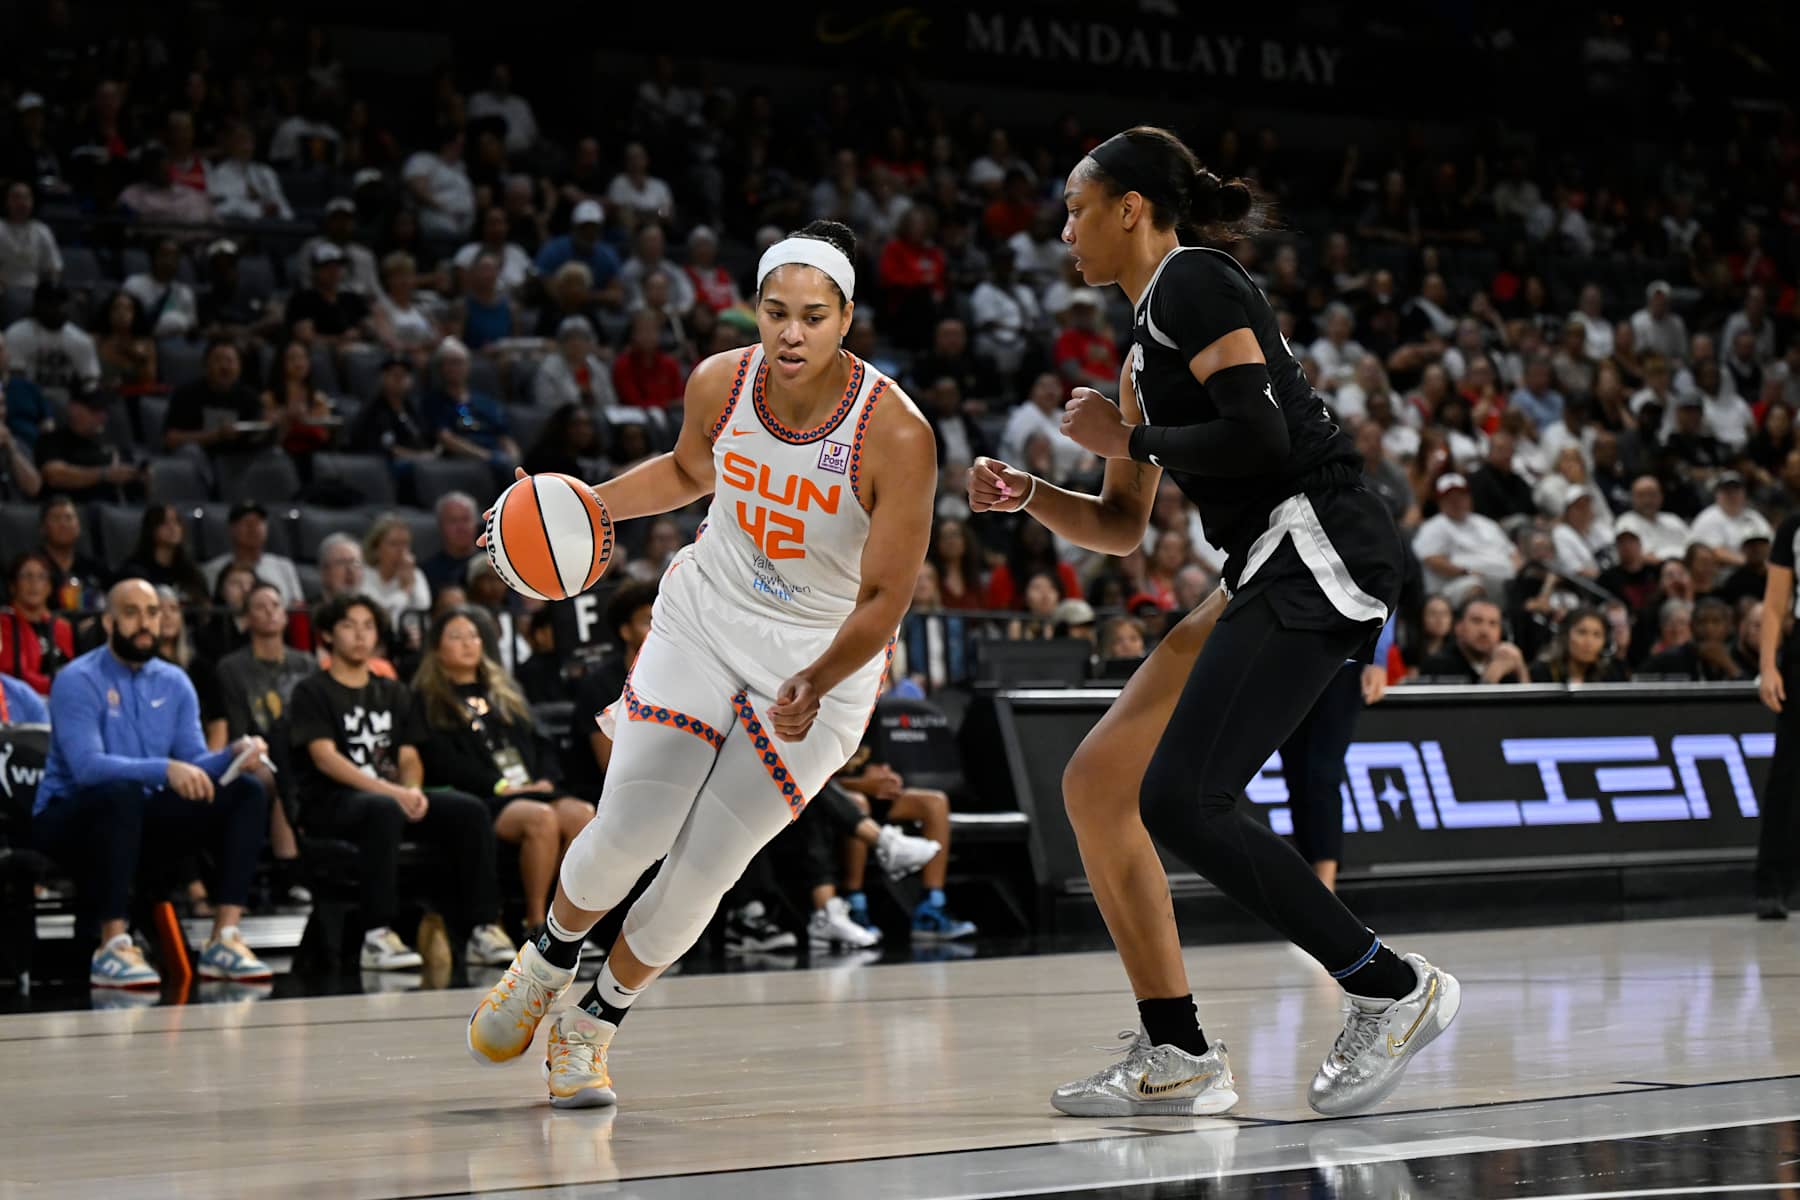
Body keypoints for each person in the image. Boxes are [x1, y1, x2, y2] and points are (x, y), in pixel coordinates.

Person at [967, 127, 1456, 1119]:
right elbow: (1119, 523)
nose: (1065, 229)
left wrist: (1129, 432)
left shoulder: (1195, 279)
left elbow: (1260, 434)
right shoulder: (1143, 347)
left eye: (1077, 207)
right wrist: (1030, 494)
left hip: (1316, 544)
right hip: (1258, 563)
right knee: (1100, 783)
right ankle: (1178, 1050)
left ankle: (1387, 986)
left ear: (1130, 208)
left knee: (1186, 801)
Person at [468, 219, 936, 1110]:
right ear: (754, 312)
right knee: (633, 830)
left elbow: (886, 600)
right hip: (705, 619)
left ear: (846, 320)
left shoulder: (898, 434)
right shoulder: (722, 382)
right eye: (774, 313)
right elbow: (691, 471)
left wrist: (821, 676)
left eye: (811, 315)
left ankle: (591, 1028)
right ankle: (546, 959)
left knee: (706, 870)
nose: (790, 333)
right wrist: (578, 514)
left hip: (825, 659)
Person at [33, 580, 273, 987]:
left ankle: (224, 940)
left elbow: (194, 764)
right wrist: (165, 769)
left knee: (247, 791)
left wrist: (233, 753)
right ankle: (112, 945)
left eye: (152, 612)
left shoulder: (175, 681)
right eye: (131, 613)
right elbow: (87, 769)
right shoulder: (77, 679)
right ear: (108, 621)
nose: (145, 623)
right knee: (120, 792)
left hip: (140, 814)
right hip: (69, 818)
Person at [289, 594, 515, 970]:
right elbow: (324, 758)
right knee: (381, 809)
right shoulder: (312, 691)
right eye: (349, 626)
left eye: (368, 626)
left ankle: (481, 928)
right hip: (331, 801)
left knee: (469, 810)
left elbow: (409, 755)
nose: (360, 635)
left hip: (389, 795)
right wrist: (392, 792)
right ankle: (377, 934)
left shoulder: (394, 692)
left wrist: (411, 789)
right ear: (328, 635)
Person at [414, 609, 595, 929]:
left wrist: (545, 778)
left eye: (473, 636)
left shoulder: (505, 693)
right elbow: (441, 760)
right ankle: (536, 921)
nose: (468, 644)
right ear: (436, 649)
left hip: (529, 787)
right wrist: (498, 786)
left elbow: (541, 743)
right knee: (542, 820)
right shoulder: (427, 700)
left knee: (583, 814)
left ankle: (564, 920)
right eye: (455, 637)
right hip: (483, 796)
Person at [212, 581, 315, 904]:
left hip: (302, 750)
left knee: (298, 768)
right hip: (257, 752)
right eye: (261, 606)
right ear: (246, 618)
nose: (271, 612)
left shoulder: (306, 663)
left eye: (276, 605)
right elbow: (237, 726)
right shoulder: (232, 668)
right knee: (277, 774)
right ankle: (290, 869)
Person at [163, 338, 265, 458]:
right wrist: (215, 436)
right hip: (200, 458)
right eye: (218, 360)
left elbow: (258, 433)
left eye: (230, 361)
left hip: (241, 460)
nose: (225, 367)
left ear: (239, 367)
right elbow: (170, 439)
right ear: (206, 365)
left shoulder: (250, 398)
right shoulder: (186, 394)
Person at [202, 501, 304, 607]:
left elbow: (298, 607)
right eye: (246, 522)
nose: (253, 527)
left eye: (259, 522)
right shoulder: (212, 570)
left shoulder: (284, 566)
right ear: (231, 529)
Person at [0, 551, 74, 696]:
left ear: (49, 587)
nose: (33, 583)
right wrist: (62, 687)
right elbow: (12, 674)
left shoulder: (61, 626)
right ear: (13, 586)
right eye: (26, 576)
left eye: (41, 577)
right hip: (22, 701)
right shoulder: (4, 624)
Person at [113, 504, 208, 605]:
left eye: (176, 522)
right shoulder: (135, 572)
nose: (173, 528)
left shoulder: (191, 572)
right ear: (151, 528)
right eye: (164, 522)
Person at [361, 514, 431, 629]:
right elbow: (378, 614)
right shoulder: (364, 575)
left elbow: (423, 606)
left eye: (405, 544)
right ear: (376, 549)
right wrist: (406, 590)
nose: (401, 551)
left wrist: (411, 582)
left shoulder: (415, 574)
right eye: (394, 544)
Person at [1529, 607, 1628, 683]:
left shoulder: (1611, 675)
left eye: (1597, 635)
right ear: (1566, 636)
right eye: (1582, 632)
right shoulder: (1541, 672)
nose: (1589, 641)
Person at [422, 492, 481, 590]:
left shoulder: (495, 564)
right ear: (440, 526)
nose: (461, 528)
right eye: (453, 521)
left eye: (466, 519)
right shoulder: (427, 573)